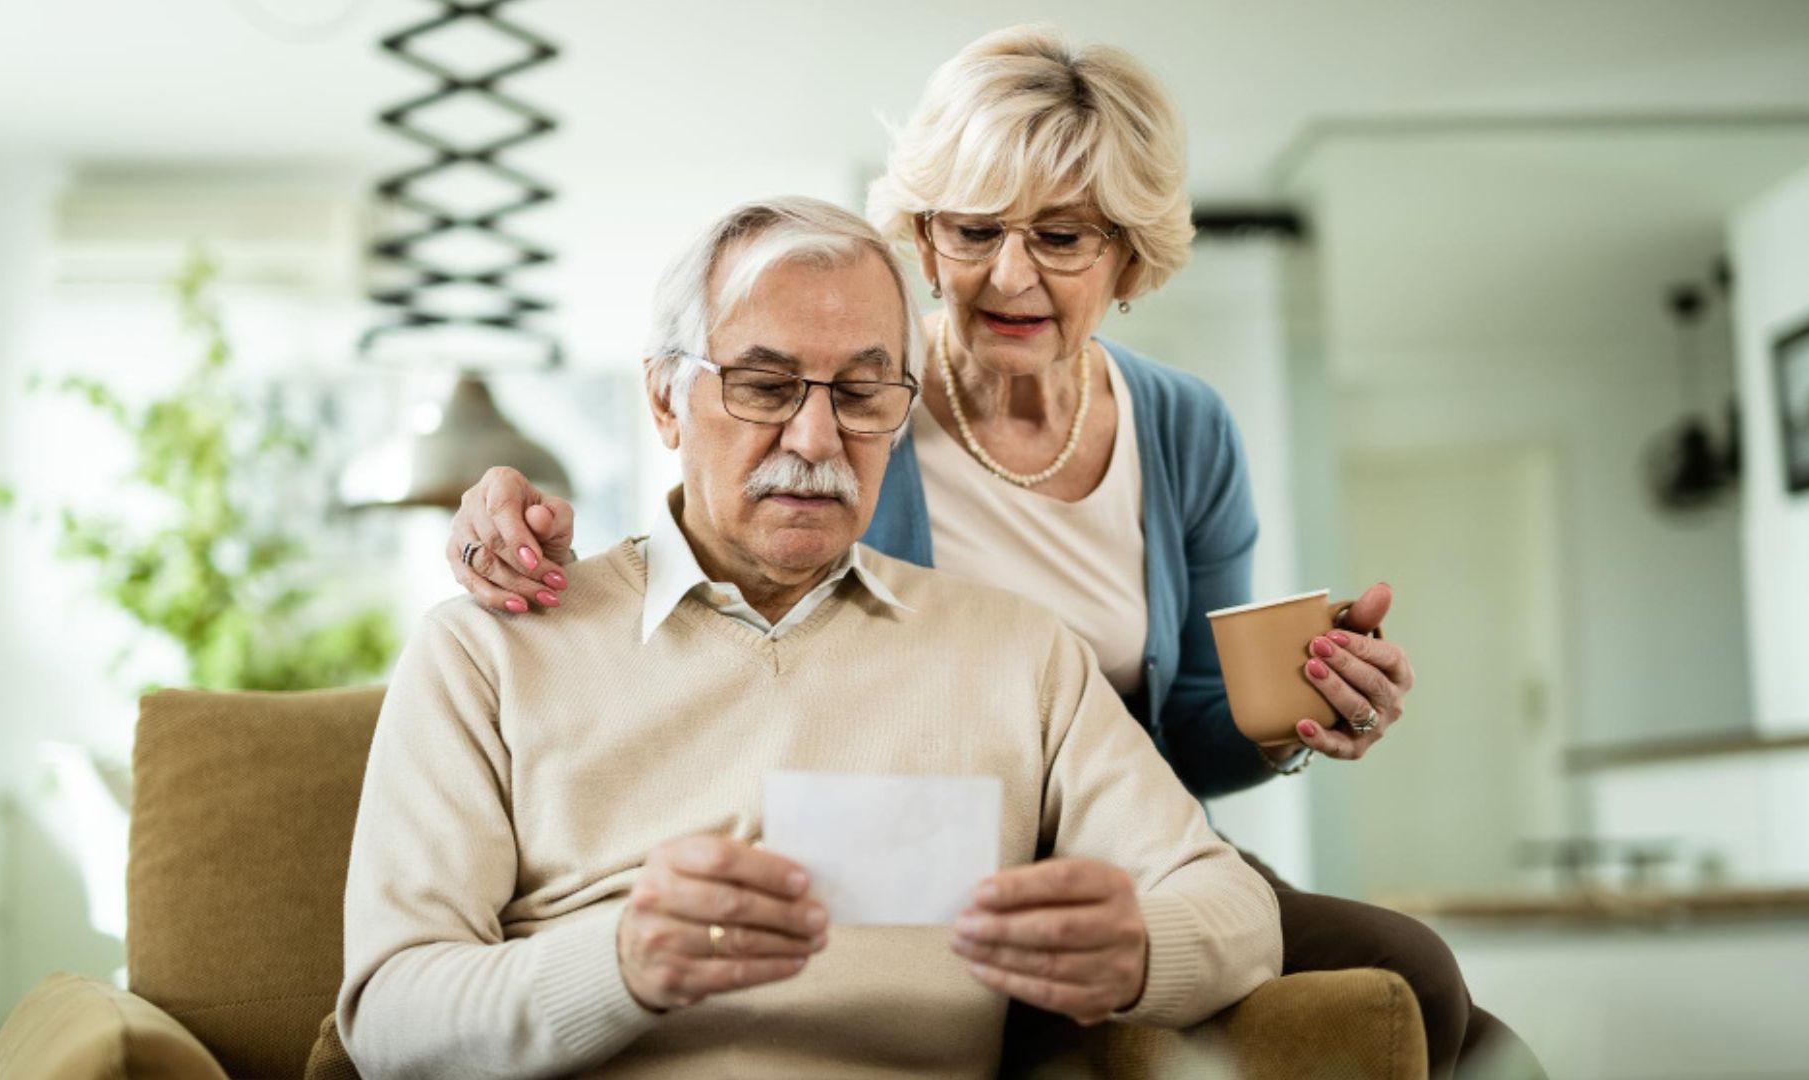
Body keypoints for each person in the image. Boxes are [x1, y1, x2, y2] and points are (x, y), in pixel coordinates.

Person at [437, 25, 1541, 1080]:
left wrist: (1299, 711)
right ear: (923, 239)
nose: (1011, 277)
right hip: (913, 851)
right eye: (972, 230)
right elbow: (704, 547)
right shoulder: (857, 404)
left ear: (1127, 255)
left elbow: (1193, 737)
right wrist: (511, 517)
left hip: (1108, 846)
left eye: (1060, 237)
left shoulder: (1184, 429)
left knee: (1431, 990)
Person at [338, 197, 1281, 1079]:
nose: (819, 437)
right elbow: (389, 1016)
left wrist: (1142, 952)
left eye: (864, 394)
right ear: (665, 400)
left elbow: (1237, 912)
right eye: (764, 385)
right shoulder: (490, 650)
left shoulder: (1019, 655)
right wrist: (620, 963)